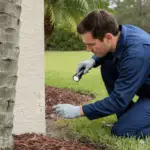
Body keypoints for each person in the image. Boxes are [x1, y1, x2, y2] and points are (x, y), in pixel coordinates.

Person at [52, 10, 150, 139]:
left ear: (108, 37)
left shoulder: (137, 53)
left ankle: (129, 123)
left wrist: (79, 110)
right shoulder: (122, 33)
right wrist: (93, 60)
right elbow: (110, 50)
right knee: (108, 65)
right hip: (146, 88)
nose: (88, 49)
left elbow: (118, 100)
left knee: (122, 131)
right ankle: (129, 118)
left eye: (91, 44)